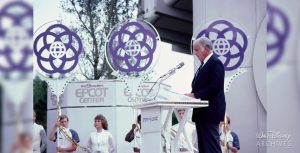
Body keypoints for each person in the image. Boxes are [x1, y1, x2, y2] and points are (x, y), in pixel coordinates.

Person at [185, 37, 226, 153]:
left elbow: (214, 87)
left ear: (206, 49)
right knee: (203, 149)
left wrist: (195, 95)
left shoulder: (215, 63)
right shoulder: (204, 64)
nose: (195, 53)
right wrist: (191, 94)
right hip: (201, 113)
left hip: (210, 113)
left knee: (212, 148)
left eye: (197, 50)